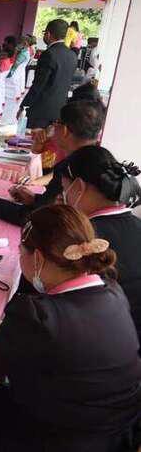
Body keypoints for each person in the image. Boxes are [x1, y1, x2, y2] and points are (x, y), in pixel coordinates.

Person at [0, 204, 141, 452]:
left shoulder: (37, 314)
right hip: (115, 439)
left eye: (21, 251)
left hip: (58, 443)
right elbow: (62, 347)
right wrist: (0, 326)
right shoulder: (111, 290)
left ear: (38, 259)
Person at [0, 93, 105, 224]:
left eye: (56, 123)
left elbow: (36, 217)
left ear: (64, 130)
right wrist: (35, 199)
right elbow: (54, 204)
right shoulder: (98, 159)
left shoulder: (71, 166)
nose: (53, 127)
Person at [58, 146, 141, 343]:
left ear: (78, 187)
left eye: (64, 188)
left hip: (103, 340)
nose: (63, 196)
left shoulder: (81, 241)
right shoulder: (137, 224)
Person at [21, 19, 78, 130]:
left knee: (34, 139)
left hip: (40, 111)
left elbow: (38, 85)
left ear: (48, 34)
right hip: (59, 110)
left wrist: (24, 106)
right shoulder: (72, 55)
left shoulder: (49, 54)